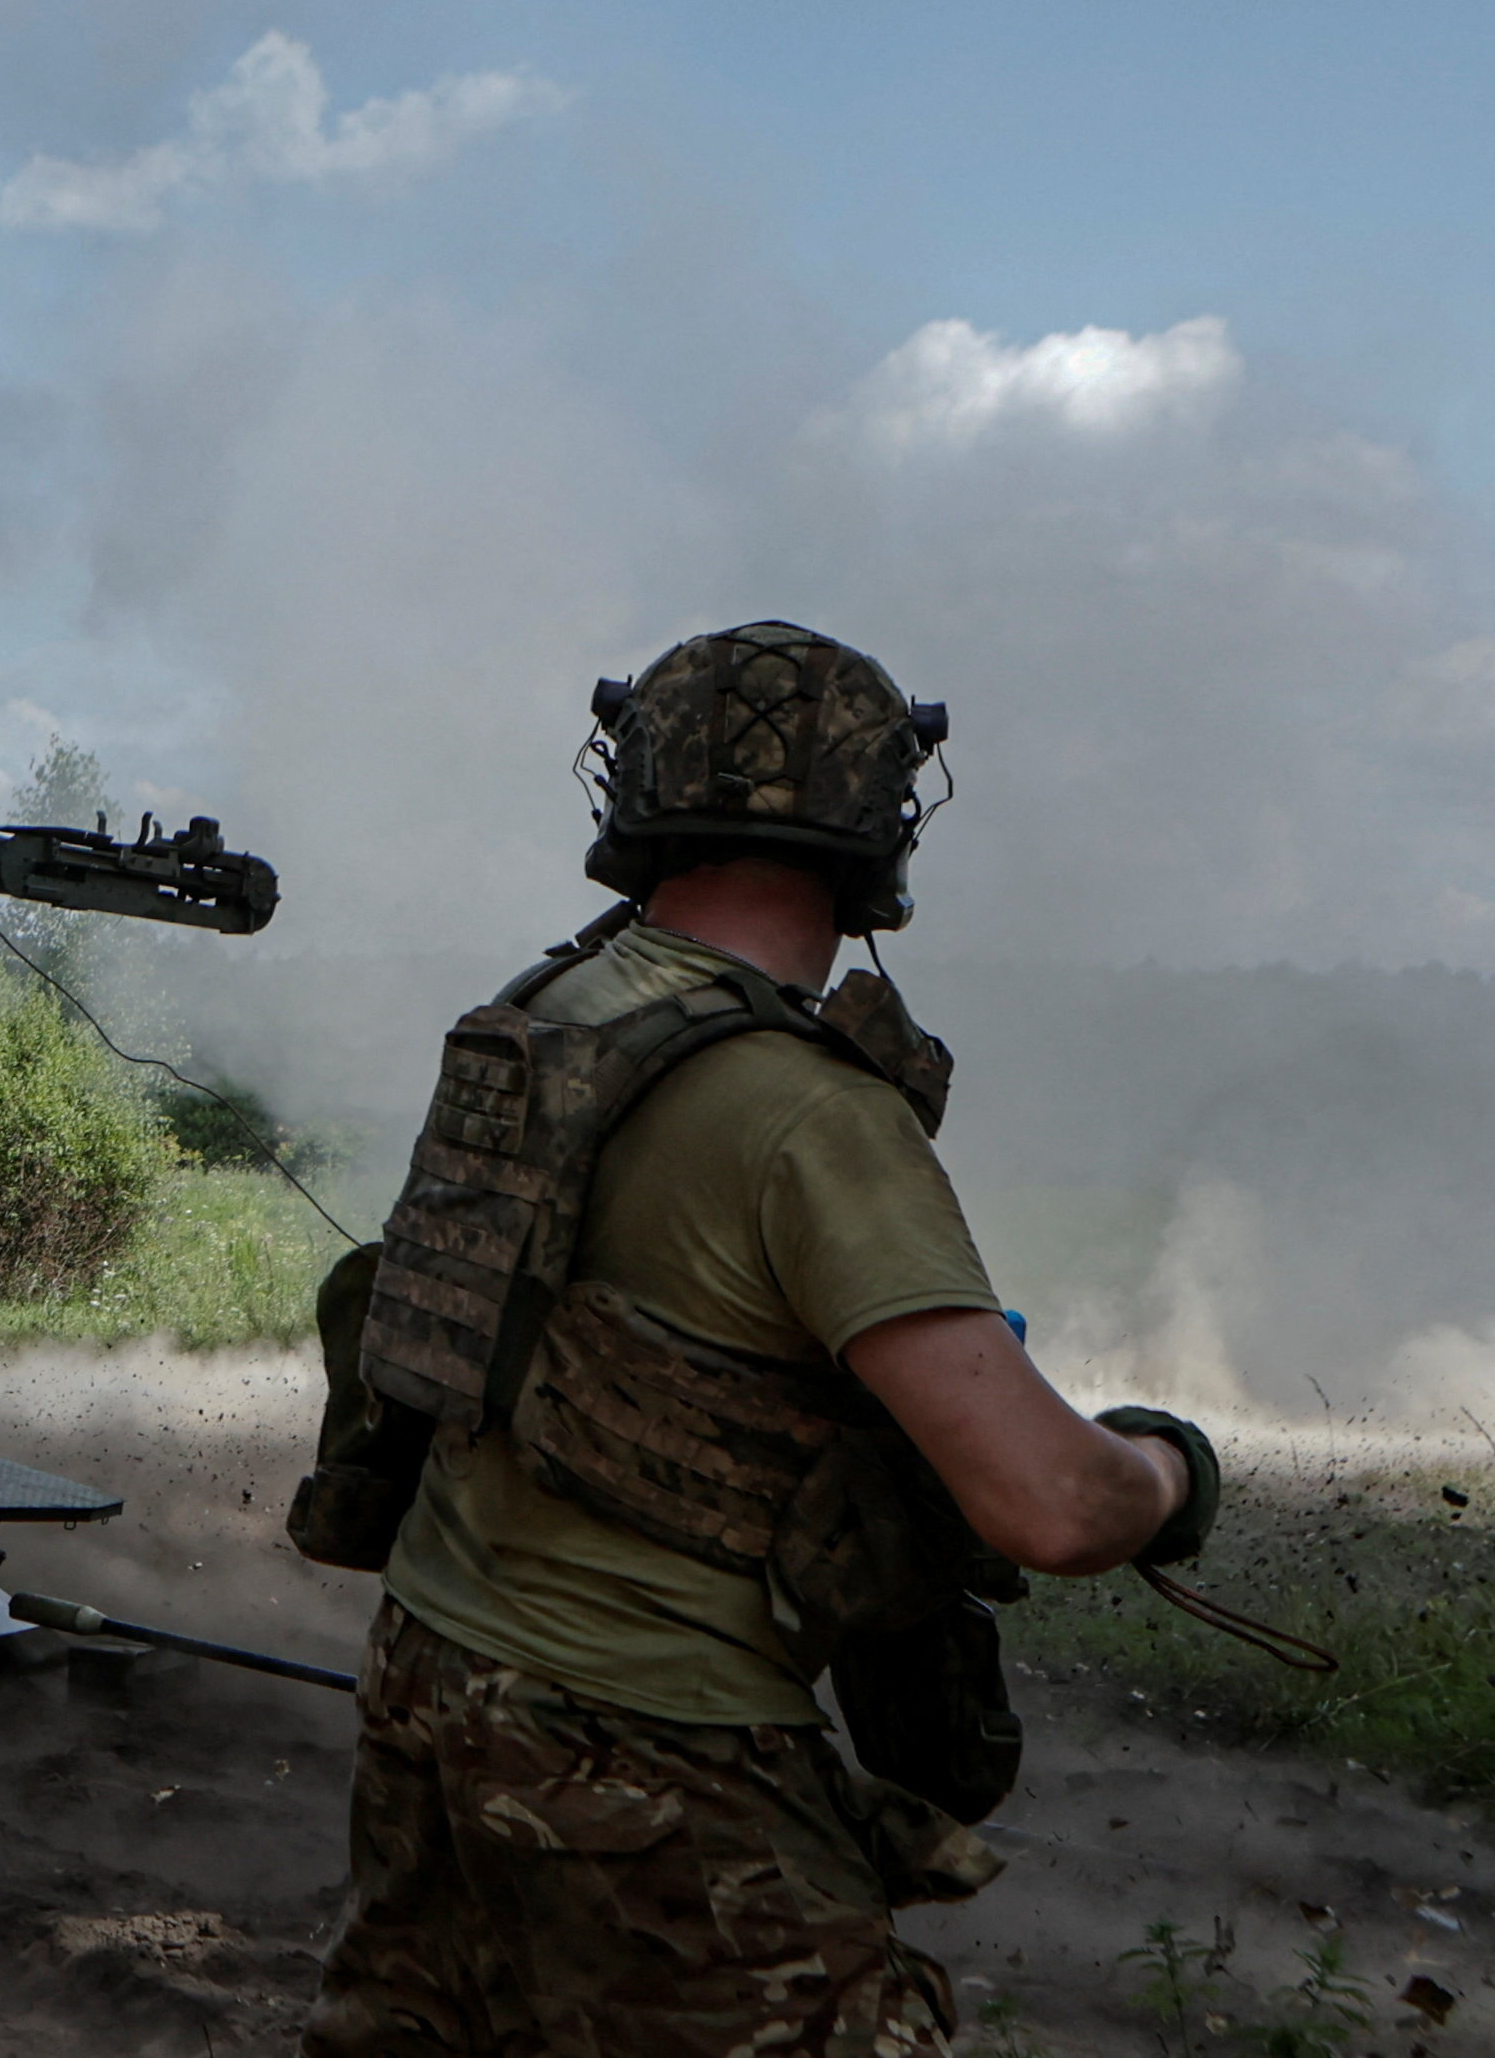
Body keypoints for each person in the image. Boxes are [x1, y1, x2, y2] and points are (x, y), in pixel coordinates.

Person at [290, 621, 1219, 2058]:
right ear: (873, 826)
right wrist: (1164, 1470)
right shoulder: (811, 1112)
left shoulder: (537, 1020)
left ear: (636, 794)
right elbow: (1047, 1503)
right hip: (651, 1746)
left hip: (432, 1689)